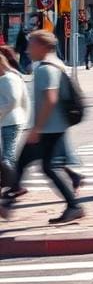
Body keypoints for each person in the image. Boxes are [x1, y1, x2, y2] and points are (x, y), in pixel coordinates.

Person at [0, 31, 83, 223]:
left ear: (43, 47)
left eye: (31, 46)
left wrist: (36, 128)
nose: (28, 50)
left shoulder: (45, 69)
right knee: (38, 165)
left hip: (47, 129)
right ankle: (9, 200)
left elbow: (50, 98)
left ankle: (9, 201)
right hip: (53, 127)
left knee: (40, 166)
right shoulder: (55, 64)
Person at [0, 49, 29, 193]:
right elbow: (25, 99)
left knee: (7, 157)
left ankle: (14, 185)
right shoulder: (14, 76)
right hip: (12, 120)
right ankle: (13, 184)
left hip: (10, 121)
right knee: (6, 155)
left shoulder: (7, 79)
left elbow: (12, 101)